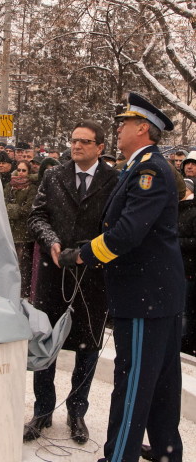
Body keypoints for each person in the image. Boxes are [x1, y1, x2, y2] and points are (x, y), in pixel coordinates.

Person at [74, 93, 185, 462]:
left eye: (124, 123)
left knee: (134, 381)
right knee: (163, 381)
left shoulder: (148, 170)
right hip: (156, 294)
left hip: (143, 297)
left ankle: (119, 456)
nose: (118, 129)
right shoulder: (142, 167)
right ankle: (167, 451)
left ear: (142, 128)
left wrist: (83, 255)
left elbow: (126, 234)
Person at [25, 120, 118, 444]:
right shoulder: (53, 176)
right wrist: (50, 240)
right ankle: (42, 410)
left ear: (100, 147)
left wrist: (88, 253)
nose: (76, 146)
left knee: (88, 348)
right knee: (44, 344)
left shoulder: (115, 180)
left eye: (84, 141)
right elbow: (37, 216)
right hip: (54, 276)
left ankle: (77, 412)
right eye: (74, 139)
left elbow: (118, 227)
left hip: (93, 279)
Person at [4, 160, 38, 299]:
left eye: (24, 170)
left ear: (29, 172)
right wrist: (14, 209)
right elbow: (3, 203)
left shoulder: (32, 188)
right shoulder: (9, 185)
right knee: (10, 264)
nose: (21, 173)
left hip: (24, 234)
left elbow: (28, 209)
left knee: (24, 267)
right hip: (10, 231)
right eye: (19, 170)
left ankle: (23, 294)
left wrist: (13, 209)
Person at [178, 179, 196, 357]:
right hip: (176, 267)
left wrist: (177, 242)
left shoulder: (193, 211)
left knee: (185, 310)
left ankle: (184, 343)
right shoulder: (177, 209)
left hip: (188, 268)